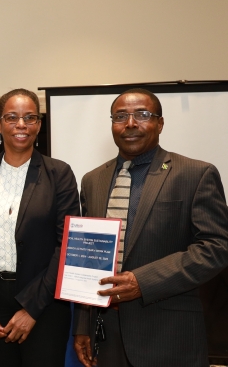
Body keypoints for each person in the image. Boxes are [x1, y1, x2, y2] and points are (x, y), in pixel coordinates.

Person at [72, 88, 228, 367]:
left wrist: (142, 282)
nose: (130, 123)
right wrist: (84, 323)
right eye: (120, 116)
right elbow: (90, 258)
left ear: (160, 123)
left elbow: (216, 248)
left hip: (169, 335)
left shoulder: (195, 174)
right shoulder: (92, 180)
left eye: (142, 115)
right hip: (107, 337)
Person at [0, 89, 80, 366]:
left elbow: (66, 244)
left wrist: (32, 309)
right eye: (12, 118)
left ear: (38, 124)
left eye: (29, 117)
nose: (21, 125)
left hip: (44, 305)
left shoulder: (59, 174)